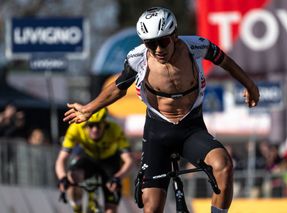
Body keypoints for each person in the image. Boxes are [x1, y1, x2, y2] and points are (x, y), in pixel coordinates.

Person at [63, 7, 260, 213]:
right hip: (158, 134)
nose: (158, 49)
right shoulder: (138, 58)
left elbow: (226, 62)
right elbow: (117, 88)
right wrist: (89, 109)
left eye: (163, 41)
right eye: (150, 43)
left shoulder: (197, 46)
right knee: (152, 208)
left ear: (174, 35)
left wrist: (250, 86)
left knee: (224, 165)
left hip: (191, 129)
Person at [56, 108, 134, 213]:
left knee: (111, 209)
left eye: (98, 125)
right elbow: (61, 159)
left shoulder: (115, 129)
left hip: (110, 161)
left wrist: (117, 178)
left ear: (105, 124)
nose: (95, 129)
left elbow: (129, 161)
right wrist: (62, 179)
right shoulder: (75, 128)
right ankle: (77, 207)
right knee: (72, 176)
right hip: (88, 158)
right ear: (85, 124)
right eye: (91, 125)